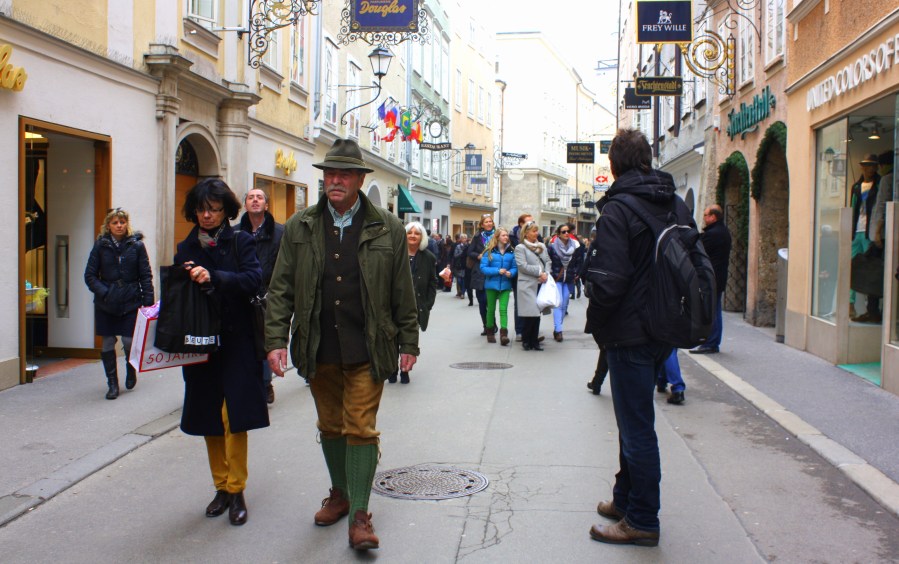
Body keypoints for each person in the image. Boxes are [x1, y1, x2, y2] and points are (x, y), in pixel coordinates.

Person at [264, 138, 420, 551]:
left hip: (370, 345)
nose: (335, 180)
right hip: (318, 344)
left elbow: (402, 291)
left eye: (344, 174)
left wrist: (409, 341)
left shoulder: (386, 225)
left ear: (358, 179)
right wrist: (275, 340)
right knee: (330, 426)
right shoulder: (301, 225)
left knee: (361, 428)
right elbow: (280, 289)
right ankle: (340, 492)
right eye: (330, 174)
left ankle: (360, 516)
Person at [585, 128, 693, 546]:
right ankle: (625, 499)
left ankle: (643, 519)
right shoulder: (675, 203)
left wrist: (596, 323)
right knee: (633, 421)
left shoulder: (618, 210)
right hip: (664, 327)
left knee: (637, 428)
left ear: (614, 164)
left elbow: (609, 281)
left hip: (629, 333)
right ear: (647, 160)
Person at [174, 178, 268, 527]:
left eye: (213, 209)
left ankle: (237, 488)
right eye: (201, 209)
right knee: (210, 418)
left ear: (226, 210)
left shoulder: (241, 241)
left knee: (234, 417)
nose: (207, 215)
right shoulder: (185, 248)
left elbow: (253, 280)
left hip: (237, 340)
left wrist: (213, 276)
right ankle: (221, 487)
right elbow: (178, 294)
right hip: (201, 344)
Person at [84, 208, 154, 400]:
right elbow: (89, 276)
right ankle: (112, 384)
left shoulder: (137, 246)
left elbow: (146, 276)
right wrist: (105, 292)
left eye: (122, 222)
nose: (119, 226)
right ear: (108, 226)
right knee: (107, 342)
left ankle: (131, 368)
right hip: (106, 302)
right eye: (115, 223)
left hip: (131, 300)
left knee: (128, 340)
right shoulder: (100, 246)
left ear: (127, 224)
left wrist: (148, 304)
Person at [236, 188, 284, 404]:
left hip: (268, 297)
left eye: (259, 198)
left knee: (266, 342)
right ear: (245, 204)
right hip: (242, 296)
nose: (255, 201)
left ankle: (265, 383)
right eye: (250, 198)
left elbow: (285, 267)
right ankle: (251, 382)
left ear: (266, 204)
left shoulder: (279, 233)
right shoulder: (235, 233)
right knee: (246, 342)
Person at [389, 221, 437, 384]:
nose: (413, 236)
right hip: (394, 304)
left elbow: (432, 282)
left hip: (416, 306)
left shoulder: (428, 257)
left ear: (422, 237)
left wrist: (428, 304)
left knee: (409, 338)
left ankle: (405, 370)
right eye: (410, 233)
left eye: (417, 233)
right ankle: (392, 368)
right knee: (393, 337)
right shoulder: (395, 254)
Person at [690, 205, 732, 354]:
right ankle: (712, 341)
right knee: (715, 309)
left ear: (713, 217)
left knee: (712, 310)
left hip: (712, 277)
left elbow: (699, 251)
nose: (704, 217)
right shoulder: (722, 232)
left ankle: (711, 342)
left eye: (706, 215)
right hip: (717, 276)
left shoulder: (714, 234)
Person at [847, 154, 882, 322]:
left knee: (870, 270)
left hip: (869, 232)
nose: (868, 169)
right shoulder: (856, 187)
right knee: (851, 266)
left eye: (871, 165)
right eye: (865, 165)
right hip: (856, 231)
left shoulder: (880, 185)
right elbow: (853, 208)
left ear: (876, 167)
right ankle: (850, 303)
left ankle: (871, 308)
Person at [514, 221, 550, 351]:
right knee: (531, 313)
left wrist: (546, 273)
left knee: (537, 313)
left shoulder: (541, 246)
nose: (536, 233)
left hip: (541, 283)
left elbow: (548, 261)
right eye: (534, 231)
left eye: (537, 231)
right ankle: (526, 339)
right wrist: (539, 272)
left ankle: (534, 341)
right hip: (527, 285)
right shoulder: (520, 248)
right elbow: (522, 266)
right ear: (526, 233)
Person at [480, 227, 517, 345]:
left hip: (505, 285)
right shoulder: (489, 252)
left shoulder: (511, 252)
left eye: (507, 235)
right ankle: (490, 331)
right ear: (497, 237)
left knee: (503, 309)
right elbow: (483, 268)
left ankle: (503, 335)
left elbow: (515, 267)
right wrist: (497, 270)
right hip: (491, 285)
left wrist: (511, 273)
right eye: (503, 235)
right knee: (490, 309)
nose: (506, 237)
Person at [548, 222, 583, 342]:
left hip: (569, 279)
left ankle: (558, 326)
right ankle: (558, 330)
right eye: (563, 232)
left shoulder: (575, 246)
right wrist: (551, 274)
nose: (567, 233)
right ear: (558, 234)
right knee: (559, 303)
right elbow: (549, 261)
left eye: (568, 231)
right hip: (557, 278)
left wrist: (576, 273)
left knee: (565, 303)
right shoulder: (552, 247)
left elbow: (579, 261)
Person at [468, 214, 496, 335]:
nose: (489, 224)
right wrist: (478, 256)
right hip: (479, 273)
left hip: (493, 271)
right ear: (482, 225)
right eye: (486, 222)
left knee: (491, 301)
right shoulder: (478, 237)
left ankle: (492, 324)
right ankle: (486, 325)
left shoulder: (498, 235)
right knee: (482, 302)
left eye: (490, 221)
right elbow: (470, 252)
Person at [452, 233, 470, 299]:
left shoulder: (468, 246)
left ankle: (462, 293)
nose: (464, 239)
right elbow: (455, 255)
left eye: (465, 238)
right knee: (459, 280)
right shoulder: (458, 246)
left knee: (464, 280)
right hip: (459, 265)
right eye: (463, 238)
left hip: (466, 265)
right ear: (461, 239)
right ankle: (461, 291)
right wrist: (461, 254)